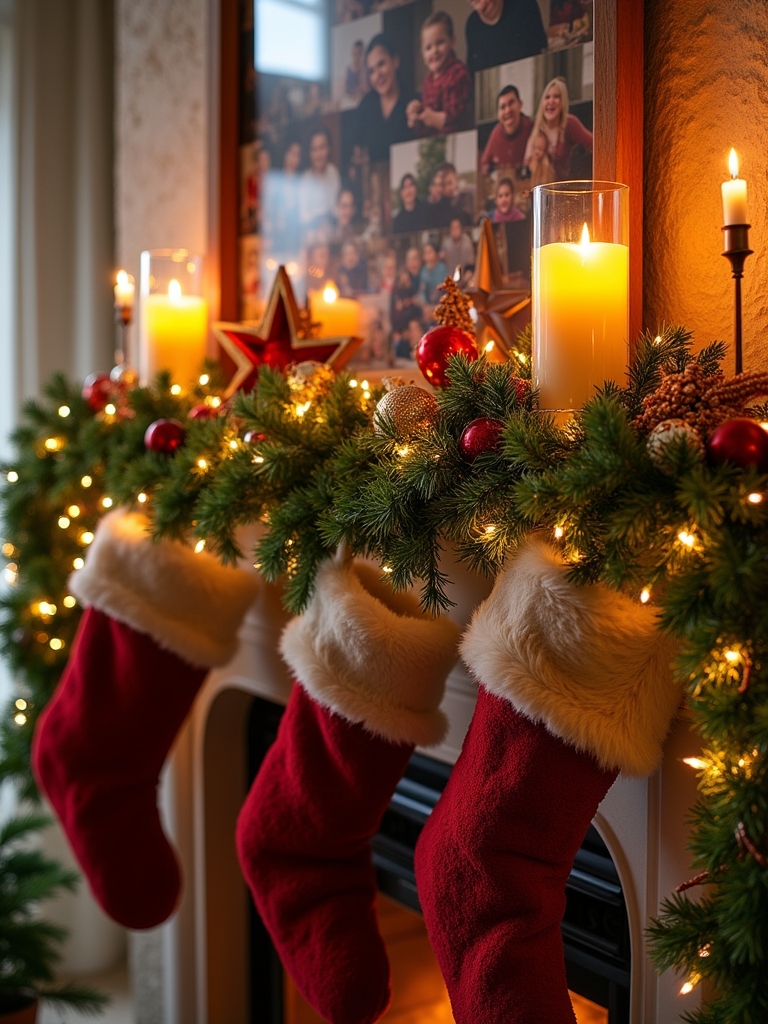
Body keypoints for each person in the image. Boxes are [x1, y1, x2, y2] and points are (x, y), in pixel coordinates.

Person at [406, 12, 473, 136]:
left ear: (452, 41)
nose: (434, 51)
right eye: (428, 47)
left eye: (440, 42)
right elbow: (427, 127)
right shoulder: (428, 81)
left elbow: (461, 121)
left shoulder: (458, 73)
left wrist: (435, 118)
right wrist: (417, 116)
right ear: (422, 52)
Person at [353, 34, 415, 163]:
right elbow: (357, 153)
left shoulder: (414, 101)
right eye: (371, 71)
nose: (377, 75)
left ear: (395, 61)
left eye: (381, 64)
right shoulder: (366, 105)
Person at [524, 77, 593, 180]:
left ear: (563, 101)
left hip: (565, 189)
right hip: (540, 190)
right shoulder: (536, 128)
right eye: (547, 97)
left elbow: (594, 145)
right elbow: (527, 163)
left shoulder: (570, 123)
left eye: (556, 97)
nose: (551, 101)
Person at [464, 0, 547, 75]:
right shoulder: (472, 25)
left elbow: (541, 55)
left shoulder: (525, 5)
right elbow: (474, 73)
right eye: (473, 1)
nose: (480, 7)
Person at [479, 85, 533, 175]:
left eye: (511, 103)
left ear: (520, 104)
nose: (507, 110)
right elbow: (484, 165)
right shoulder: (496, 132)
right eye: (503, 107)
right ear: (498, 113)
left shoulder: (531, 127)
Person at [299, 128, 341, 230]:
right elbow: (303, 217)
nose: (319, 154)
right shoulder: (305, 179)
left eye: (322, 147)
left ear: (329, 148)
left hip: (332, 231)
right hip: (312, 235)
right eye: (314, 149)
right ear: (309, 153)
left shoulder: (333, 172)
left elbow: (337, 209)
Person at [418, 240, 448, 308]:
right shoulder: (423, 270)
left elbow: (443, 290)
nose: (427, 255)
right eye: (425, 253)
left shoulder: (442, 268)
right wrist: (424, 304)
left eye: (430, 252)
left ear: (436, 253)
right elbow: (422, 290)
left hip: (441, 305)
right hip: (427, 306)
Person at [341, 41, 368, 109]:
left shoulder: (366, 69)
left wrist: (362, 69)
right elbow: (343, 90)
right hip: (349, 102)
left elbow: (365, 89)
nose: (356, 57)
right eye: (354, 54)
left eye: (359, 53)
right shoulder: (348, 71)